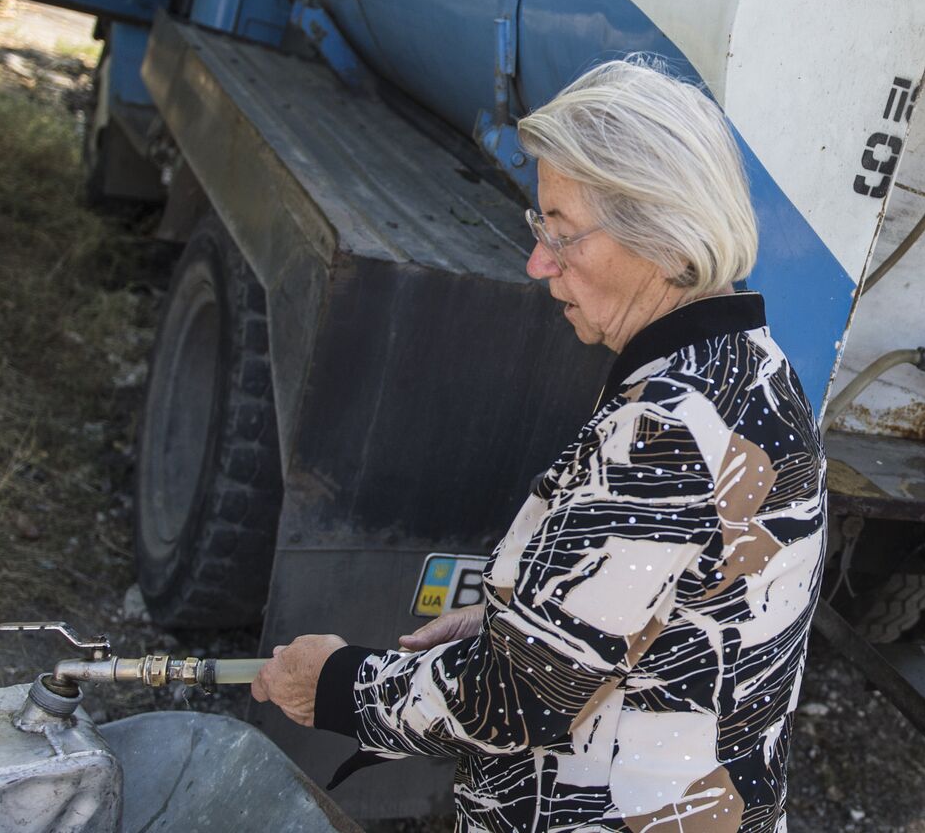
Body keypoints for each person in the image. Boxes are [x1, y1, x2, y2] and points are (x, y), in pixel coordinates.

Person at [251, 59, 829, 833]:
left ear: (663, 234)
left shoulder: (668, 424)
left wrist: (336, 686)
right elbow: (658, 607)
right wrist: (520, 616)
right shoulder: (756, 369)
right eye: (539, 228)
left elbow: (514, 699)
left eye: (561, 232)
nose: (537, 262)